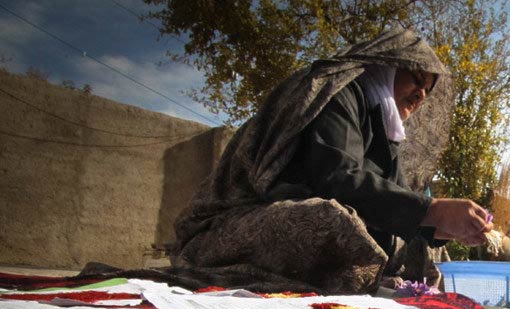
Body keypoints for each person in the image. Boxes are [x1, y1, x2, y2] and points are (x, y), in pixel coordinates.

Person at [170, 29, 492, 294]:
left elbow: (396, 202)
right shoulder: (339, 93)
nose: (421, 94)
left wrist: (444, 225)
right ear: (388, 65)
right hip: (233, 225)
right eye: (416, 79)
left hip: (314, 224)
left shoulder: (386, 131)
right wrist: (433, 210)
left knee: (424, 246)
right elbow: (338, 179)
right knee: (329, 220)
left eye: (427, 90)